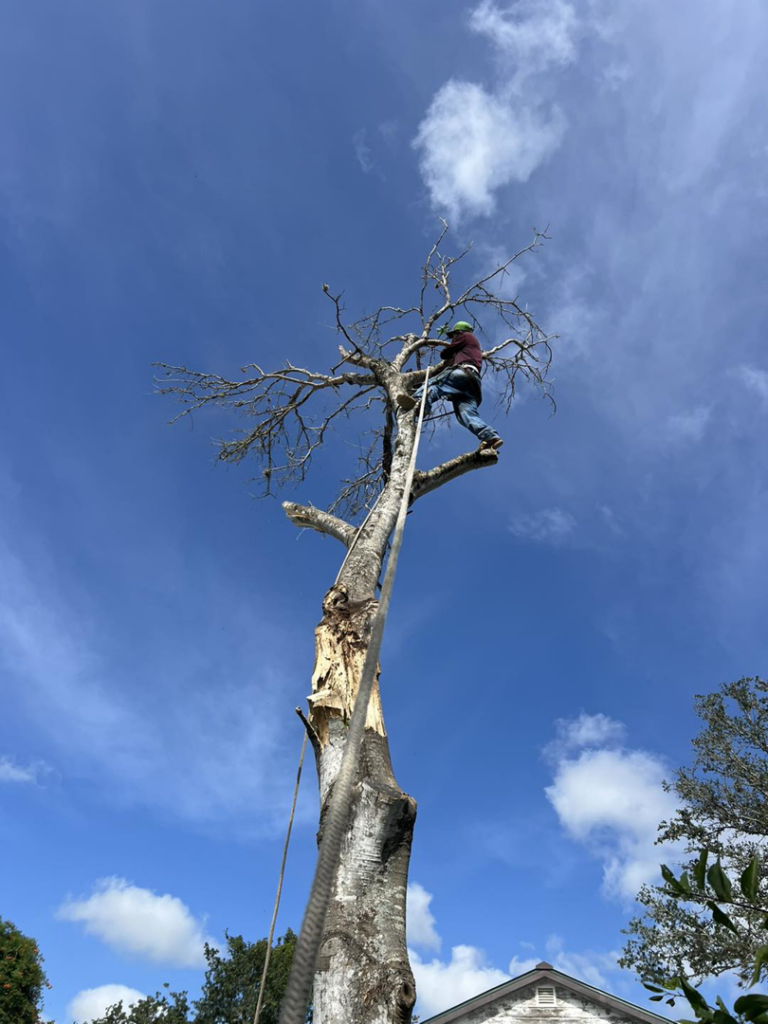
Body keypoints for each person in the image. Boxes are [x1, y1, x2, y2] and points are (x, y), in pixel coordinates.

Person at [397, 321, 503, 450]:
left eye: (453, 335)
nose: (453, 338)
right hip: (473, 384)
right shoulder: (472, 347)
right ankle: (489, 436)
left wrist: (450, 349)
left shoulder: (465, 336)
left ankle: (420, 403)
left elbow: (445, 353)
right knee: (467, 414)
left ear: (459, 332)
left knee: (435, 384)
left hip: (463, 373)